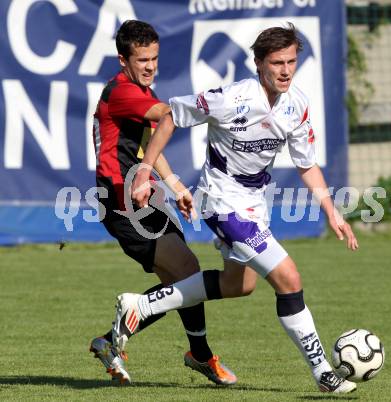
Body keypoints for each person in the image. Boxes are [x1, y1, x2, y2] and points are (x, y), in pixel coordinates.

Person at [113, 23, 360, 394]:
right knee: (289, 279)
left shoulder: (297, 104)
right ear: (258, 63)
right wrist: (147, 169)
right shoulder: (232, 98)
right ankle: (324, 372)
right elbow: (171, 117)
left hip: (254, 201)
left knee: (238, 284)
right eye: (277, 62)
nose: (285, 70)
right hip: (221, 200)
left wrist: (330, 209)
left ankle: (140, 306)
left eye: (292, 61)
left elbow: (306, 163)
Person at [90, 19, 239, 386]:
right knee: (187, 272)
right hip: (122, 200)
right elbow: (169, 117)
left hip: (143, 196)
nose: (150, 66)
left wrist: (173, 185)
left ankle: (111, 342)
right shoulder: (122, 92)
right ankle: (198, 355)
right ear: (123, 59)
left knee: (179, 282)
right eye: (142, 59)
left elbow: (148, 148)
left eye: (154, 58)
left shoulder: (134, 91)